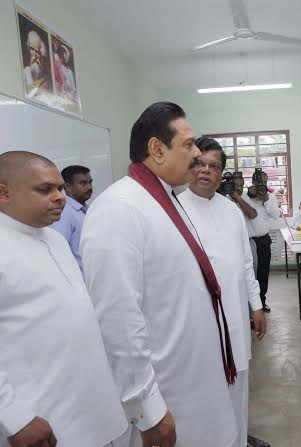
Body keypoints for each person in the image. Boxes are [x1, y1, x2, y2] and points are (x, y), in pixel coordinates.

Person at [81, 102, 238, 447]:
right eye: (188, 144)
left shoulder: (165, 199)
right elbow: (118, 321)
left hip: (196, 377)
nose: (197, 154)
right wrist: (147, 410)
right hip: (169, 392)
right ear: (156, 149)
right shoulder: (118, 209)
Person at [0, 151, 126, 447]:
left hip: (91, 403)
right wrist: (15, 418)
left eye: (59, 188)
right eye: (45, 189)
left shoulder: (54, 239)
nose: (59, 197)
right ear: (4, 193)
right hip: (40, 417)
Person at [179, 138, 270, 447]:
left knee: (239, 383)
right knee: (205, 389)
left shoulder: (231, 211)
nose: (206, 171)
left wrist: (255, 306)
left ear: (222, 174)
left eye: (214, 166)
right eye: (199, 164)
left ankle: (238, 440)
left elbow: (246, 263)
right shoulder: (174, 210)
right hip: (198, 320)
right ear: (189, 166)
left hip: (234, 314)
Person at [241, 170, 281, 313]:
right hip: (249, 242)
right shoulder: (244, 196)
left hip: (264, 240)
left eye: (265, 182)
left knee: (263, 273)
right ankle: (250, 305)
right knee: (250, 275)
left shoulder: (270, 197)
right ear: (252, 183)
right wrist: (252, 197)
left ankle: (262, 301)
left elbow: (276, 215)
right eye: (259, 182)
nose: (262, 185)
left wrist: (266, 201)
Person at [50, 165, 93, 273]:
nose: (89, 187)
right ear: (68, 187)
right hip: (79, 282)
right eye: (83, 183)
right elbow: (58, 251)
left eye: (90, 182)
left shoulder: (87, 209)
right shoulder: (64, 212)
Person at [22, 30, 52, 97]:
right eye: (32, 49)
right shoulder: (25, 70)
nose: (35, 55)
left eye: (37, 51)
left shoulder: (47, 77)